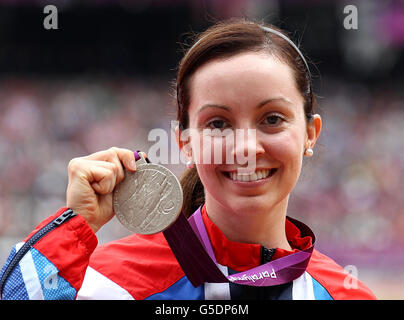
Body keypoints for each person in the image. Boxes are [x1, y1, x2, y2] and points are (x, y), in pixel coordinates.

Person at [0, 18, 376, 300]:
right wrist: (73, 227)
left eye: (272, 119)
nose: (246, 148)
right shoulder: (107, 284)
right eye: (218, 123)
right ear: (185, 142)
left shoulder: (345, 294)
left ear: (310, 134)